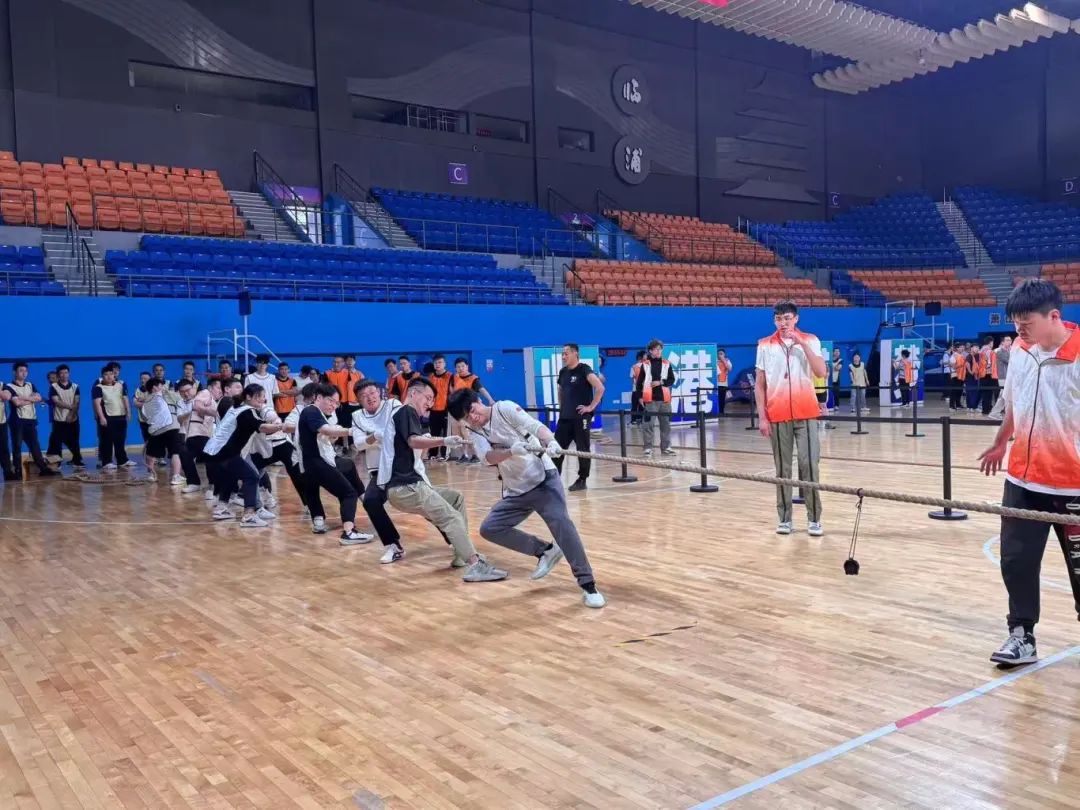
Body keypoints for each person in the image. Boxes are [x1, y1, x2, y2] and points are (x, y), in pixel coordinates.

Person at [977, 279, 1080, 667]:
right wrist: (1001, 442)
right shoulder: (1020, 351)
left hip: (1074, 487)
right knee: (1016, 563)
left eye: (1027, 323)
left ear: (1054, 316)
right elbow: (1015, 403)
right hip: (1022, 480)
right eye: (1016, 323)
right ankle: (1022, 636)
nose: (1019, 331)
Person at [450, 388, 605, 607]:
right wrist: (511, 452)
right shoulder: (475, 431)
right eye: (467, 417)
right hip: (515, 490)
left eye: (473, 410)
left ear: (479, 401)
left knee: (562, 524)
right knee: (490, 528)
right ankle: (545, 551)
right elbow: (487, 458)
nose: (473, 418)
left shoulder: (504, 408)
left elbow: (535, 426)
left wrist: (551, 441)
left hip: (543, 480)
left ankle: (588, 585)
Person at [379, 377, 507, 582]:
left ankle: (461, 554)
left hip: (407, 487)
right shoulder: (406, 411)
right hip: (406, 487)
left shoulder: (403, 415)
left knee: (456, 499)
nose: (429, 403)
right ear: (413, 393)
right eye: (427, 397)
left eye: (432, 399)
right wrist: (444, 440)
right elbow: (414, 441)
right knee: (451, 517)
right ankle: (475, 565)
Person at [755, 300, 827, 536]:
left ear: (796, 319)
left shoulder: (811, 340)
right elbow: (760, 384)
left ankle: (814, 518)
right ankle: (784, 518)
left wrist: (802, 344)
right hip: (777, 414)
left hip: (806, 413)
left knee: (810, 465)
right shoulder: (764, 345)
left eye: (787, 318)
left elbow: (821, 371)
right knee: (782, 468)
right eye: (778, 319)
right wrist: (762, 417)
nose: (783, 323)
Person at [297, 383, 374, 543]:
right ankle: (348, 533)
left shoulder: (321, 414)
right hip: (316, 464)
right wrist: (352, 431)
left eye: (336, 403)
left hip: (322, 460)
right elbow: (325, 430)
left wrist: (334, 435)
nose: (333, 405)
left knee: (347, 465)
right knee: (348, 493)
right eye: (331, 401)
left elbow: (326, 435)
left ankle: (368, 502)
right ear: (319, 398)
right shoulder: (311, 411)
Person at [204, 384, 281, 527]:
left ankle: (221, 509)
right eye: (258, 396)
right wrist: (280, 426)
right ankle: (249, 515)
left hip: (211, 452)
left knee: (230, 475)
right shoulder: (247, 411)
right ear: (248, 397)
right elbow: (262, 427)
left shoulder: (235, 408)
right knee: (252, 476)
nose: (262, 399)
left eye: (263, 396)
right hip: (225, 452)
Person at [351, 380, 406, 563]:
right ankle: (393, 545)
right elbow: (359, 444)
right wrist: (375, 436)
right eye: (364, 396)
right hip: (379, 470)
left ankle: (453, 539)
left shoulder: (393, 405)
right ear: (358, 400)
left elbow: (401, 431)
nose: (370, 398)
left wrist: (372, 440)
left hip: (403, 467)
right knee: (371, 501)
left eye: (372, 393)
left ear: (380, 392)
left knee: (424, 505)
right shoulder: (357, 416)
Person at [553, 344, 604, 491]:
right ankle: (554, 479)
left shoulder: (584, 369)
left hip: (580, 418)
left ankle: (582, 479)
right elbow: (560, 390)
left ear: (575, 354)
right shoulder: (563, 372)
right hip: (565, 418)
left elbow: (600, 388)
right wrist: (562, 407)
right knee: (556, 449)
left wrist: (590, 407)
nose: (564, 356)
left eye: (566, 353)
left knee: (582, 449)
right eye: (563, 354)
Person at [141, 378, 200, 493]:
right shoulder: (164, 395)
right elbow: (181, 398)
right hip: (171, 426)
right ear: (155, 388)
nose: (163, 387)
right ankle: (176, 476)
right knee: (175, 452)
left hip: (154, 430)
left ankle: (152, 475)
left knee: (151, 453)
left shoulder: (145, 402)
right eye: (161, 385)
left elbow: (145, 417)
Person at [5, 361, 57, 479]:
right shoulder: (9, 386)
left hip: (30, 420)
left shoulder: (30, 385)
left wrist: (24, 398)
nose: (24, 373)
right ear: (15, 372)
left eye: (25, 371)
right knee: (17, 446)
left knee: (35, 446)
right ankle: (18, 471)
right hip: (17, 421)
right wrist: (31, 399)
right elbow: (17, 403)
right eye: (21, 371)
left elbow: (38, 398)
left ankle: (43, 469)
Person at [450, 357, 493, 463]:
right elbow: (451, 393)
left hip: (468, 411)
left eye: (462, 366)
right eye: (458, 367)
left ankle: (475, 454)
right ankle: (463, 455)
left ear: (467, 366)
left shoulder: (473, 379)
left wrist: (490, 399)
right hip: (457, 410)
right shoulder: (454, 378)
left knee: (467, 432)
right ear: (455, 368)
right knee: (457, 433)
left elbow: (482, 390)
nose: (460, 368)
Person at [186, 377, 222, 501]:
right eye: (218, 388)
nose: (220, 390)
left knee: (192, 456)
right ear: (210, 387)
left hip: (205, 433)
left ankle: (204, 485)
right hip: (197, 431)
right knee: (191, 456)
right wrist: (216, 413)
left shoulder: (215, 402)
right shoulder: (205, 393)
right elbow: (198, 406)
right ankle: (207, 486)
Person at [637, 339, 674, 457]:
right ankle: (648, 448)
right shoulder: (645, 364)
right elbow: (639, 382)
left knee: (666, 425)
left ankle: (666, 447)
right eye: (656, 349)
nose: (658, 351)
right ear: (650, 351)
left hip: (665, 399)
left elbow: (671, 380)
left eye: (660, 349)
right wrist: (640, 397)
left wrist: (660, 382)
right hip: (650, 399)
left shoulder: (666, 363)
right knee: (648, 425)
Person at [92, 363, 132, 470]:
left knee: (120, 440)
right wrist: (101, 417)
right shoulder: (98, 388)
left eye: (111, 374)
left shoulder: (120, 385)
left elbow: (125, 398)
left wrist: (128, 412)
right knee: (107, 441)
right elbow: (97, 404)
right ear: (102, 376)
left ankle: (122, 461)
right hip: (108, 417)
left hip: (121, 416)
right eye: (106, 374)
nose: (109, 376)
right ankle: (106, 462)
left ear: (114, 375)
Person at [49, 364, 84, 468]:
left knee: (75, 440)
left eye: (66, 372)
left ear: (69, 374)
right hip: (59, 419)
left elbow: (77, 402)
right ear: (58, 375)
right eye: (61, 373)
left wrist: (71, 414)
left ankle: (77, 461)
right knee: (57, 442)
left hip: (73, 419)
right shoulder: (53, 387)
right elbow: (56, 401)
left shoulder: (75, 386)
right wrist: (70, 407)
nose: (64, 375)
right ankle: (57, 463)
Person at [427, 354, 454, 461]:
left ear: (444, 364)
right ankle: (432, 454)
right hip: (433, 410)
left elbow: (453, 393)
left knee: (446, 434)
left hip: (446, 410)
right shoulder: (430, 377)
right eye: (436, 363)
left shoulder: (450, 376)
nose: (437, 364)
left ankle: (444, 454)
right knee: (433, 433)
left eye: (440, 362)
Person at [325, 354, 363, 429]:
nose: (336, 364)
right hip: (333, 402)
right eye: (334, 362)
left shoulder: (351, 373)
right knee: (334, 423)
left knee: (348, 424)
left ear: (343, 363)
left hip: (347, 403)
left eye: (338, 362)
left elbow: (359, 386)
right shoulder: (327, 373)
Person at [989, 336, 1013, 421]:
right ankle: (994, 413)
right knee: (1003, 395)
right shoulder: (999, 351)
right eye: (1007, 340)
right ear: (1002, 342)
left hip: (1009, 376)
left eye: (1010, 340)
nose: (1010, 341)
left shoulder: (1009, 350)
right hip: (1002, 376)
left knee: (1007, 395)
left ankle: (1005, 413)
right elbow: (1009, 361)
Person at [978, 336, 1000, 416]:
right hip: (989, 374)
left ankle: (985, 410)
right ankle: (993, 410)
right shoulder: (990, 351)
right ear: (991, 342)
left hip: (982, 374)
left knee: (985, 393)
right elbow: (990, 363)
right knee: (993, 392)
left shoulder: (980, 351)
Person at [629, 350, 647, 425]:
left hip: (636, 390)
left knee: (634, 405)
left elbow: (632, 378)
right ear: (641, 357)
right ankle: (640, 419)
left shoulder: (633, 367)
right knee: (642, 405)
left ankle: (633, 420)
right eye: (645, 355)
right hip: (644, 390)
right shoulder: (647, 366)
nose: (646, 356)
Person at [717, 349, 733, 416]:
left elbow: (729, 369)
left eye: (721, 354)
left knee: (722, 398)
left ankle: (721, 412)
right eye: (719, 354)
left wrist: (723, 360)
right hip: (716, 383)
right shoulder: (715, 361)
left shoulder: (727, 360)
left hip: (723, 383)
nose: (720, 355)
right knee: (717, 398)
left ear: (724, 354)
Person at [830, 347, 843, 413]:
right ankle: (830, 405)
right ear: (833, 352)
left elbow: (837, 368)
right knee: (829, 392)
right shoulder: (829, 359)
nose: (837, 352)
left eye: (838, 351)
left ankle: (836, 405)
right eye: (836, 351)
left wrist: (832, 366)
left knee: (836, 393)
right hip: (829, 379)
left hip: (836, 379)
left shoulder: (840, 360)